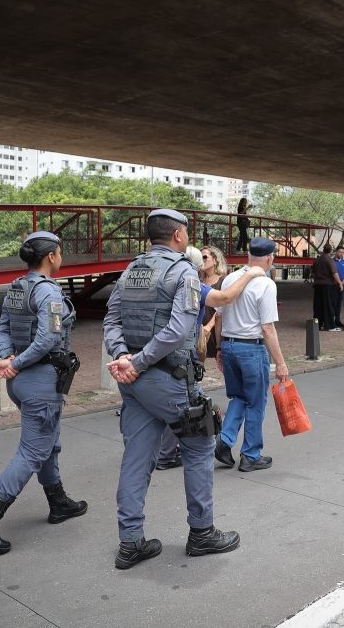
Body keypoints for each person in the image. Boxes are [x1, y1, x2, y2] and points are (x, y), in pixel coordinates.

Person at [103, 209, 241, 570]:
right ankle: (202, 533)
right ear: (179, 234)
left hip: (133, 384)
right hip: (166, 379)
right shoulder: (183, 271)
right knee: (199, 446)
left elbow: (111, 320)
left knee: (136, 456)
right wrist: (138, 361)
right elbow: (180, 330)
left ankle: (130, 541)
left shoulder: (131, 270)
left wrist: (123, 356)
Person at [0, 231, 87, 554]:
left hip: (22, 382)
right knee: (32, 452)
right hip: (41, 381)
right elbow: (48, 339)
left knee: (49, 441)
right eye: (61, 252)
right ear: (51, 257)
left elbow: (2, 328)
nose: (62, 257)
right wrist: (15, 362)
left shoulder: (18, 287)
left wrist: (8, 359)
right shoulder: (49, 294)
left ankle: (58, 501)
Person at [156, 246, 265, 471]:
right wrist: (251, 273)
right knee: (190, 403)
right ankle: (202, 448)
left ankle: (209, 444)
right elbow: (225, 299)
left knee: (177, 400)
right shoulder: (196, 286)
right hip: (188, 353)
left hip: (166, 351)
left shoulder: (165, 284)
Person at [213, 237, 290, 473]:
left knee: (239, 397)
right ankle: (250, 455)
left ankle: (225, 441)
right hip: (251, 348)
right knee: (256, 402)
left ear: (249, 256)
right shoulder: (266, 284)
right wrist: (281, 363)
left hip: (229, 345)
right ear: (269, 258)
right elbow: (267, 328)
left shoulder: (231, 278)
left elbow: (219, 317)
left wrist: (218, 348)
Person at [311, 244, 340, 331]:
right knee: (328, 305)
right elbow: (334, 273)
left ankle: (317, 324)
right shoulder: (329, 260)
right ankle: (330, 325)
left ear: (323, 250)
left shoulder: (317, 259)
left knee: (318, 306)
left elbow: (313, 272)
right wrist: (340, 283)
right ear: (331, 251)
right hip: (328, 285)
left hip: (317, 285)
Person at [333, 246, 344, 329]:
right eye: (340, 252)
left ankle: (337, 320)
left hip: (342, 286)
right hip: (333, 286)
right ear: (336, 252)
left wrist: (342, 283)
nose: (341, 253)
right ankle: (331, 320)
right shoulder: (332, 262)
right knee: (333, 303)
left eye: (343, 252)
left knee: (339, 303)